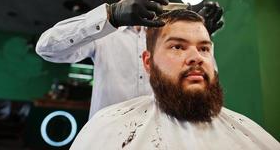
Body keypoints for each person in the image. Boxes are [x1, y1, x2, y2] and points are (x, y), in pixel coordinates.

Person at [35, 0, 223, 118]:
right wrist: (112, 15)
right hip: (110, 140)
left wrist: (202, 40)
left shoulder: (171, 36)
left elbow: (202, 84)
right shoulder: (102, 34)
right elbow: (46, 48)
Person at [69, 9, 279, 150]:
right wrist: (110, 14)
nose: (196, 57)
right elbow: (46, 48)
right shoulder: (108, 130)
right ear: (148, 63)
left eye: (204, 48)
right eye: (178, 46)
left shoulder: (250, 135)